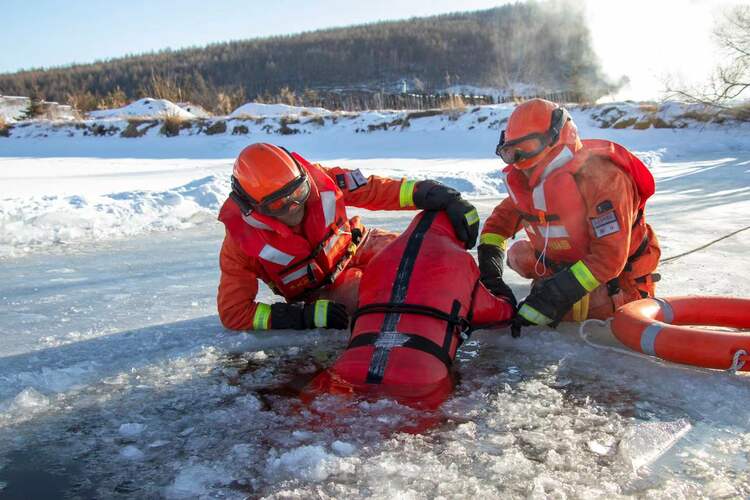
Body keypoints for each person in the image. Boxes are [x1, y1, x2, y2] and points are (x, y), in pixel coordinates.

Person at [217, 142, 479, 332]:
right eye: (280, 205)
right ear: (252, 208)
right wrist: (302, 316)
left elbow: (375, 189)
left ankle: (478, 303)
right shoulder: (239, 245)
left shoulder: (323, 179)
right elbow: (233, 312)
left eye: (300, 193)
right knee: (372, 294)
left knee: (422, 254)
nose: (295, 205)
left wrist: (433, 194)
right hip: (327, 289)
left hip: (362, 244)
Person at [477, 99, 661, 336]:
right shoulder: (528, 177)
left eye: (528, 147)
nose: (520, 161)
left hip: (614, 277)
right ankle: (557, 287)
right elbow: (497, 225)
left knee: (586, 307)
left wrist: (553, 297)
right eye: (511, 152)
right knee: (518, 254)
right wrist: (490, 275)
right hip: (559, 263)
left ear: (557, 137)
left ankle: (601, 300)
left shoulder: (603, 178)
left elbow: (609, 259)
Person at [305, 210, 515, 409]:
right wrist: (505, 298)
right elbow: (496, 313)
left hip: (350, 365)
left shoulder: (380, 256)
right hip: (421, 375)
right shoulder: (460, 260)